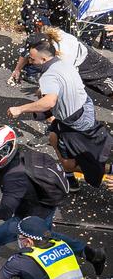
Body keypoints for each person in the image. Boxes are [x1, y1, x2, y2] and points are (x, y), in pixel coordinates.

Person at [0, 125, 106, 274]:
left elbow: (4, 212)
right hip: (45, 204)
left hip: (29, 215)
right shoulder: (21, 152)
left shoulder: (14, 178)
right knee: (47, 238)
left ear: (6, 151)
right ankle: (92, 254)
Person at [7, 40, 113, 191]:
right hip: (82, 110)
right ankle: (71, 179)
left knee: (71, 163)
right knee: (53, 137)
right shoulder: (63, 63)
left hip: (76, 122)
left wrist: (20, 109)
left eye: (32, 58)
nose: (29, 61)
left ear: (43, 59)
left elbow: (49, 102)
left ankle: (103, 170)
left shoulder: (48, 76)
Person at [10, 27, 113, 95]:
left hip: (92, 64)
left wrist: (45, 89)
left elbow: (66, 82)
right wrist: (17, 69)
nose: (30, 61)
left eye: (32, 58)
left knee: (109, 92)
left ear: (44, 54)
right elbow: (24, 52)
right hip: (74, 60)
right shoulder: (40, 38)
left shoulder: (64, 56)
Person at [0, 216, 84, 279]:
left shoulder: (21, 261)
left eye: (19, 236)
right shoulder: (62, 244)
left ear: (28, 241)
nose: (18, 239)